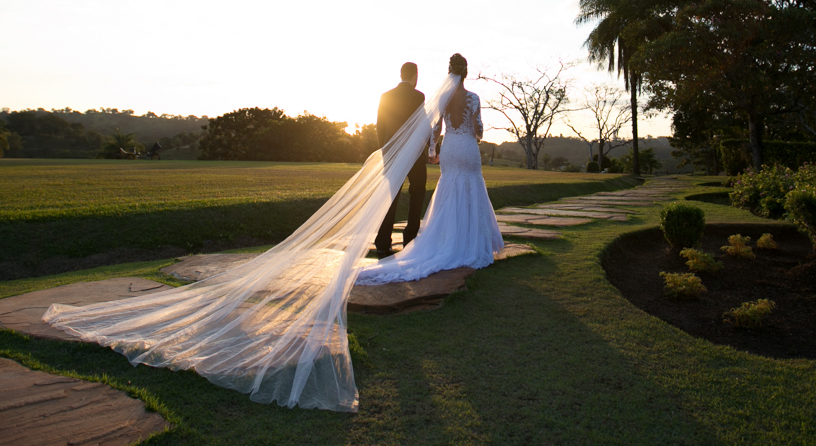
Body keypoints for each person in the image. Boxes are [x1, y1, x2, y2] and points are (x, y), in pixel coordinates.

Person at [41, 55, 490, 412]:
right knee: (420, 199)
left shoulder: (410, 96)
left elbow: (396, 126)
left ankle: (387, 241)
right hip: (453, 152)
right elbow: (461, 128)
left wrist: (399, 148)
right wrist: (426, 149)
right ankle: (415, 238)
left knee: (403, 201)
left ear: (405, 74)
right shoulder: (452, 99)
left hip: (426, 151)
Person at [356, 53, 503, 285]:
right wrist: (432, 149)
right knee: (459, 190)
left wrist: (432, 150)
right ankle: (440, 241)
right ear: (465, 72)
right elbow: (478, 130)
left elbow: (432, 127)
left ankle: (389, 244)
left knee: (438, 190)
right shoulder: (470, 98)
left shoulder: (439, 97)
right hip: (462, 149)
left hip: (444, 150)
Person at [373, 62, 428, 257]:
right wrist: (431, 148)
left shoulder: (385, 96)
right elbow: (423, 124)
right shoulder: (418, 96)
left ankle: (382, 243)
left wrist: (385, 149)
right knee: (417, 193)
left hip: (391, 154)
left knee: (390, 196)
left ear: (401, 74)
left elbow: (380, 126)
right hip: (413, 154)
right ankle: (410, 239)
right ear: (415, 76)